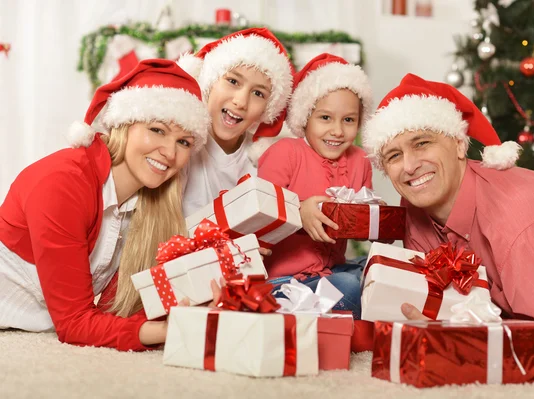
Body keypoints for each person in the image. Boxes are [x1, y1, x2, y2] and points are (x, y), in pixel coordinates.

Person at [361, 73, 534, 366]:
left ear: (460, 145)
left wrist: (462, 342)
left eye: (422, 143)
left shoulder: (520, 212)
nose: (409, 167)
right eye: (394, 156)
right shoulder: (416, 206)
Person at [0, 59, 214, 351]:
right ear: (124, 125)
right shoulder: (63, 182)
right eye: (157, 130)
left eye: (185, 142)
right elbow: (74, 323)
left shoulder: (147, 206)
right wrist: (169, 330)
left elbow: (115, 313)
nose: (169, 152)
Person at [257, 54, 373, 319]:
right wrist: (299, 211)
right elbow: (259, 214)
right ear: (305, 118)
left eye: (348, 120)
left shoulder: (359, 161)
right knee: (348, 288)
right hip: (284, 280)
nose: (337, 131)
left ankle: (341, 306)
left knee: (375, 269)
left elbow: (364, 217)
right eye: (325, 118)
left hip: (334, 271)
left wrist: (377, 224)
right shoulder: (286, 152)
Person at [181, 27, 295, 217]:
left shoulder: (265, 162)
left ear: (267, 109)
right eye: (233, 81)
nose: (241, 102)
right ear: (209, 82)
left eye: (258, 93)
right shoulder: (180, 144)